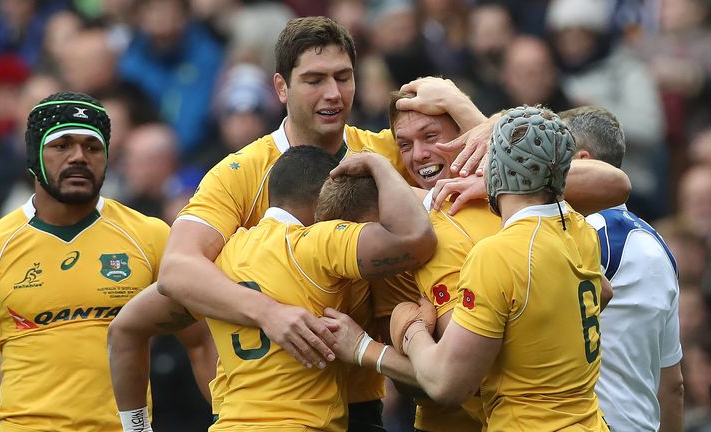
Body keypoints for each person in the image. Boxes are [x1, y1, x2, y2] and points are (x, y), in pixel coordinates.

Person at [152, 16, 485, 430]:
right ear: (281, 88)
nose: (333, 93)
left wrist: (462, 105)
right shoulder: (238, 172)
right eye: (314, 80)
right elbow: (176, 269)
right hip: (273, 408)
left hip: (367, 398)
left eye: (343, 77)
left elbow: (533, 176)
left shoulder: (390, 152)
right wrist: (269, 313)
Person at [0, 92, 170, 431]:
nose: (79, 157)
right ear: (35, 154)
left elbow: (202, 342)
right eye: (62, 145)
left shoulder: (151, 237)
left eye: (92, 147)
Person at [389, 106, 610, 430]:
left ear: (492, 173)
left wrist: (410, 332)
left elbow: (447, 384)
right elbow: (604, 292)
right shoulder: (581, 228)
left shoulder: (496, 254)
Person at [208, 146, 434, 431]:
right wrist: (380, 164)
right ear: (322, 199)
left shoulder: (223, 255)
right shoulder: (313, 244)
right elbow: (416, 238)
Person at [562, 106, 684, 432]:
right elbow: (672, 385)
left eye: (552, 158)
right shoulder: (660, 246)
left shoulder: (587, 231)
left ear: (582, 162)